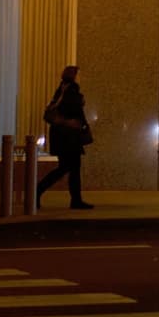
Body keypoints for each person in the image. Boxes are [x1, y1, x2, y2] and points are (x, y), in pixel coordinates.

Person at [36, 65, 94, 210]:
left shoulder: (61, 89)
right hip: (69, 137)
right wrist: (84, 125)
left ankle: (74, 199)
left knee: (67, 168)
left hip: (60, 135)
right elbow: (76, 113)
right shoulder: (72, 90)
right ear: (74, 76)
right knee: (70, 168)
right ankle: (38, 191)